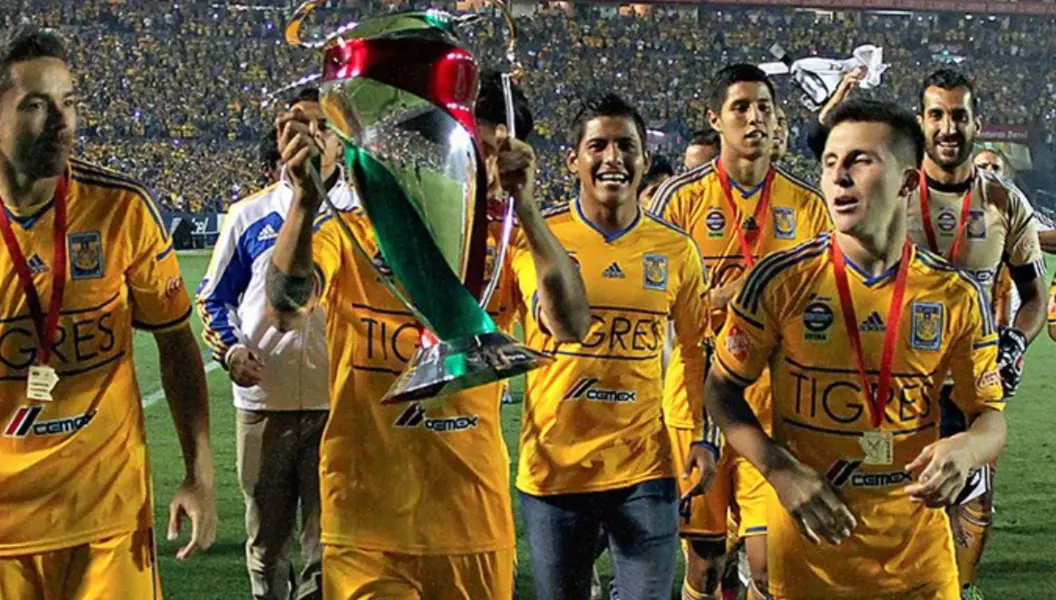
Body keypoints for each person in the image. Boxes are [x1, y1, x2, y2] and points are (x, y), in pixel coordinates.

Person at [0, 26, 216, 600]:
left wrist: (199, 474)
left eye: (68, 102)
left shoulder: (122, 209)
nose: (62, 120)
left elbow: (177, 342)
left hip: (109, 521)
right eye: (36, 105)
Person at [265, 71, 589, 599]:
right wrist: (304, 200)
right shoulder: (354, 235)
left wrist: (526, 206)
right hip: (366, 525)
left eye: (488, 156)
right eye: (458, 149)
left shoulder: (506, 251)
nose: (472, 171)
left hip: (472, 525)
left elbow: (570, 323)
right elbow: (284, 308)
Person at [706, 97, 1007, 600]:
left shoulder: (954, 294)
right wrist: (779, 470)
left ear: (909, 183)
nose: (839, 177)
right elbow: (720, 392)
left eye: (859, 161)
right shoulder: (780, 281)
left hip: (918, 563)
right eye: (830, 163)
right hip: (809, 559)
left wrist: (969, 448)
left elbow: (989, 415)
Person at [514, 93, 712, 600]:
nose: (613, 158)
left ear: (645, 159)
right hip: (555, 470)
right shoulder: (536, 237)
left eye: (627, 145)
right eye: (597, 145)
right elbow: (524, 318)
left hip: (645, 469)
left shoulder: (676, 250)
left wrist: (701, 437)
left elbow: (694, 349)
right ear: (573, 159)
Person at [646, 64, 832, 600]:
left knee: (768, 563)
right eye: (741, 107)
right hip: (695, 400)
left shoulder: (807, 208)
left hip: (771, 409)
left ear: (778, 123)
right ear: (716, 120)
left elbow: (822, 309)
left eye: (765, 108)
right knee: (704, 563)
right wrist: (730, 297)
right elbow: (655, 303)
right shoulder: (679, 201)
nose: (755, 118)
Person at [196, 88, 353, 600]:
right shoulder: (249, 216)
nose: (309, 135)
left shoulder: (365, 214)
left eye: (321, 126)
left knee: (328, 543)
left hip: (344, 405)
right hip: (266, 404)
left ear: (340, 141)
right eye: (295, 125)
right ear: (280, 140)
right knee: (266, 539)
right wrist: (232, 350)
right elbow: (213, 298)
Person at [909, 70, 1046, 600]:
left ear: (977, 124)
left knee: (974, 502)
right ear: (921, 122)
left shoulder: (1005, 202)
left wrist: (1014, 341)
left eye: (959, 115)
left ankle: (959, 590)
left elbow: (1033, 297)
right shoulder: (891, 193)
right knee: (893, 501)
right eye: (937, 114)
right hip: (898, 379)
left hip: (971, 381)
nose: (949, 127)